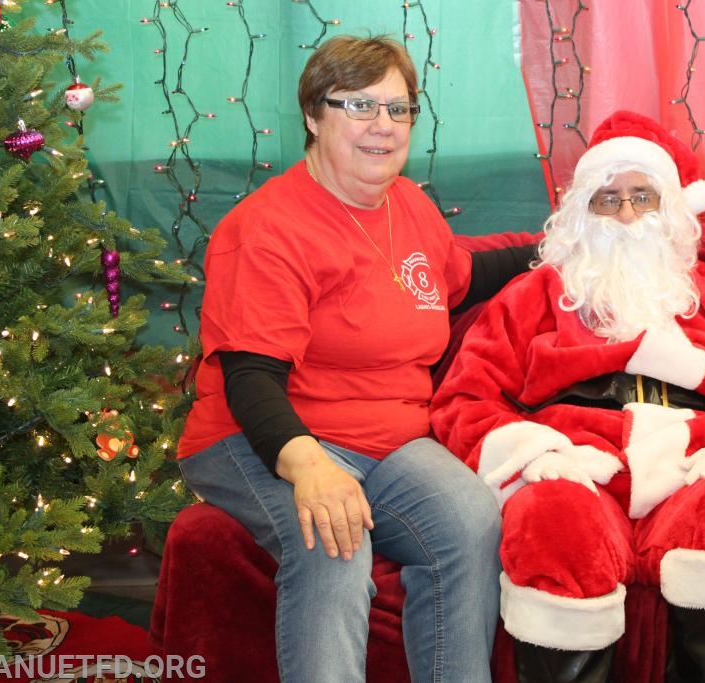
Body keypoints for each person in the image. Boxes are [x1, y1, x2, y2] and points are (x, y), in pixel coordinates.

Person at [175, 35, 536, 683]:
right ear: (314, 116)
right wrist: (309, 463)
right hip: (269, 430)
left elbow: (460, 276)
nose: (383, 127)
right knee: (333, 545)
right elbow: (250, 377)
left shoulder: (410, 206)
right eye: (360, 106)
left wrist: (556, 249)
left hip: (387, 436)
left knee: (470, 519)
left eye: (398, 110)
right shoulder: (269, 228)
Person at [430, 111, 705, 683]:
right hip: (581, 471)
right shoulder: (536, 294)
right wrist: (538, 457)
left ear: (669, 212)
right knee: (553, 519)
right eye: (607, 199)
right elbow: (463, 400)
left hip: (697, 470)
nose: (626, 215)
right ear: (580, 215)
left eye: (643, 197)